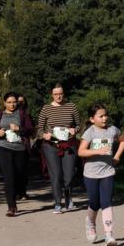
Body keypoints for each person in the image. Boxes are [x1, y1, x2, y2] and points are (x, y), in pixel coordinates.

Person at [78, 103, 124, 246]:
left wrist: (117, 156)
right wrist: (98, 151)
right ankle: (91, 223)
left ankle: (109, 235)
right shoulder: (90, 132)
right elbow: (81, 152)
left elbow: (123, 140)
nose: (105, 118)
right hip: (91, 173)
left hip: (108, 171)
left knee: (106, 202)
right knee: (94, 203)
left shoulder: (113, 130)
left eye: (106, 115)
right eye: (101, 116)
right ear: (92, 119)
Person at [35, 83, 81, 213]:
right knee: (56, 175)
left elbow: (78, 125)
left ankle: (68, 198)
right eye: (56, 94)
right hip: (51, 146)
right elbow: (39, 128)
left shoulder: (71, 106)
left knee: (70, 174)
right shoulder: (46, 108)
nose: (58, 96)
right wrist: (44, 135)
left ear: (63, 94)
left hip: (69, 145)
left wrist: (74, 130)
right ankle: (57, 203)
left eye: (60, 93)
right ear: (52, 95)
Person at [0, 92, 34, 216]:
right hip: (3, 148)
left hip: (20, 149)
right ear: (4, 103)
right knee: (9, 177)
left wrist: (19, 129)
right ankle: (11, 206)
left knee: (18, 177)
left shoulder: (23, 114)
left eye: (14, 102)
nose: (12, 104)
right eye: (9, 102)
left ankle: (18, 193)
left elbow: (31, 130)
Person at [14, 94, 33, 199]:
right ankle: (14, 191)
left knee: (23, 170)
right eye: (18, 101)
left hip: (23, 145)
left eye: (22, 101)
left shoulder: (26, 115)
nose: (20, 103)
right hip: (8, 145)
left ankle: (22, 191)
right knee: (12, 170)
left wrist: (20, 129)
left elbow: (30, 129)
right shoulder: (6, 114)